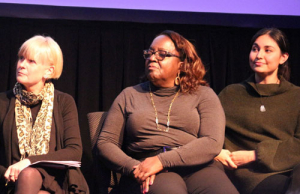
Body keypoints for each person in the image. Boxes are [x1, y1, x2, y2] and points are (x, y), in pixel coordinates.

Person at [97, 30, 238, 194]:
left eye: (162, 54)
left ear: (182, 64)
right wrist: (136, 168)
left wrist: (162, 160)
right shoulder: (129, 95)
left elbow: (212, 141)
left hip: (198, 167)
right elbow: (106, 142)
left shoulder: (203, 94)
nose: (152, 57)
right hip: (149, 169)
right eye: (149, 53)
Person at [215, 28, 300, 194]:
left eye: (267, 50)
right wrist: (217, 151)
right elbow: (208, 132)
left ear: (284, 57)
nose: (259, 55)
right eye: (255, 49)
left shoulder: (296, 95)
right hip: (254, 176)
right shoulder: (231, 94)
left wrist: (255, 155)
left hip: (293, 169)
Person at [0, 35, 89, 194]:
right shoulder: (3, 101)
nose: (21, 65)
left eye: (31, 61)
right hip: (10, 182)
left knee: (29, 175)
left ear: (49, 71)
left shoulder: (63, 102)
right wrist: (9, 173)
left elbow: (74, 151)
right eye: (21, 59)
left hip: (55, 181)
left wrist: (28, 162)